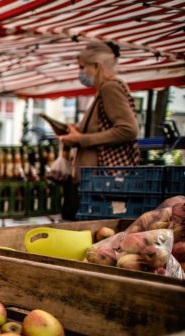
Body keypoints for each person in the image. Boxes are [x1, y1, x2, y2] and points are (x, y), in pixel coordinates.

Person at [56, 41, 140, 219]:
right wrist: (75, 132)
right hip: (95, 181)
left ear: (96, 66)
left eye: (82, 67)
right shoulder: (104, 90)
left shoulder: (110, 88)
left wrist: (80, 139)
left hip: (102, 180)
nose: (80, 73)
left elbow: (128, 129)